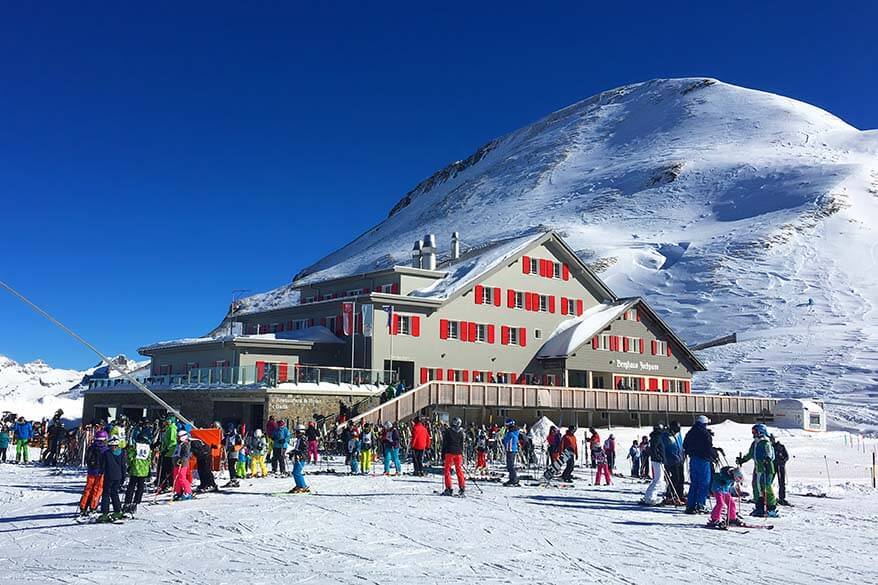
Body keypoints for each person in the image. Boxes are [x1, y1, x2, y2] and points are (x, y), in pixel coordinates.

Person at [737, 423, 778, 518]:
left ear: (761, 432)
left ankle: (771, 508)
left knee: (766, 487)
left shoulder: (765, 442)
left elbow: (771, 454)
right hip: (758, 468)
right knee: (756, 486)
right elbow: (751, 454)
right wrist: (743, 459)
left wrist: (767, 459)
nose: (753, 434)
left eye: (755, 432)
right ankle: (759, 507)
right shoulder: (755, 443)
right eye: (753, 432)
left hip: (766, 468)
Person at [683, 415, 714, 514]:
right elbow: (708, 447)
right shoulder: (705, 434)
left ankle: (690, 505)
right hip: (703, 460)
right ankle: (701, 504)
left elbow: (685, 445)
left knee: (694, 483)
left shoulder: (691, 432)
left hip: (693, 459)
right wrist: (713, 455)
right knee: (704, 483)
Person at [97, 435, 127, 523]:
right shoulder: (121, 453)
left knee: (106, 494)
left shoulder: (106, 453)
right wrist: (123, 477)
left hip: (109, 476)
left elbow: (103, 465)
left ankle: (105, 513)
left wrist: (100, 472)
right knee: (114, 493)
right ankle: (117, 511)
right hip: (118, 476)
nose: (113, 448)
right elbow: (123, 466)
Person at [123, 426, 152, 515]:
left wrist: (129, 465)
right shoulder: (148, 448)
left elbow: (130, 457)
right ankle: (136, 503)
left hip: (135, 469)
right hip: (144, 470)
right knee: (140, 487)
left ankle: (127, 502)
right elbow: (149, 459)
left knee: (131, 486)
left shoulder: (135, 446)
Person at [78, 430, 108, 517]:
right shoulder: (105, 450)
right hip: (100, 472)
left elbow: (87, 458)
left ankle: (83, 507)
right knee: (97, 489)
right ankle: (93, 507)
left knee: (88, 489)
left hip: (91, 471)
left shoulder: (91, 447)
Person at [640, 424, 667, 506]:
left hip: (658, 460)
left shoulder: (657, 436)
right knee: (658, 480)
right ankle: (649, 496)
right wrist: (658, 457)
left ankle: (651, 495)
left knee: (658, 479)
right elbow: (654, 449)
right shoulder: (657, 437)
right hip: (657, 461)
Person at [440, 417, 465, 496]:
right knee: (459, 470)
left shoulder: (448, 431)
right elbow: (461, 444)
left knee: (447, 470)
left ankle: (449, 488)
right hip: (458, 453)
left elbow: (445, 443)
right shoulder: (461, 432)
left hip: (449, 452)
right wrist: (461, 453)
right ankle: (462, 487)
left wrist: (442, 454)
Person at [662, 422, 685, 505]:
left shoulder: (678, 435)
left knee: (681, 478)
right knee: (675, 478)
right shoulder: (665, 436)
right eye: (675, 431)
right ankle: (670, 495)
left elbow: (680, 445)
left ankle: (680, 495)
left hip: (680, 459)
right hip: (671, 460)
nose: (676, 432)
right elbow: (663, 447)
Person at [157, 416, 178, 491]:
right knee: (164, 469)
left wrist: (167, 449)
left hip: (170, 453)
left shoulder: (172, 428)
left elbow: (173, 441)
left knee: (168, 469)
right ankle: (164, 484)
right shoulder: (168, 428)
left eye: (168, 420)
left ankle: (170, 484)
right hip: (165, 452)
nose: (166, 422)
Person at [172, 430, 194, 501]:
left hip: (182, 464)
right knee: (176, 478)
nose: (177, 438)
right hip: (176, 463)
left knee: (181, 478)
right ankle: (178, 492)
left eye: (178, 437)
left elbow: (186, 454)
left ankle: (188, 492)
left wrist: (181, 459)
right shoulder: (178, 444)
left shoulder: (185, 444)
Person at [289, 424, 310, 493]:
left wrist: (299, 454)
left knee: (297, 472)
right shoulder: (299, 439)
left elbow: (305, 449)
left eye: (297, 432)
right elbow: (298, 448)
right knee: (295, 472)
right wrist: (292, 452)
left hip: (301, 457)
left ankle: (303, 486)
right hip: (298, 457)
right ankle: (299, 485)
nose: (296, 434)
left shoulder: (303, 438)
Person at [771, 435, 791, 506]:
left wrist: (782, 461)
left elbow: (786, 456)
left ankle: (782, 498)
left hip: (780, 466)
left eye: (772, 439)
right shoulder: (769, 447)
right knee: (769, 482)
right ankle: (769, 497)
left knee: (781, 482)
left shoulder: (781, 446)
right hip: (772, 466)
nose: (771, 441)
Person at [502, 418, 519, 486]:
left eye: (507, 425)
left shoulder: (512, 432)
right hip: (511, 449)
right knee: (510, 465)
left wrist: (504, 440)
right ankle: (512, 478)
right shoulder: (512, 431)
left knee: (510, 465)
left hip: (511, 450)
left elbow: (509, 440)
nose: (506, 427)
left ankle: (513, 479)